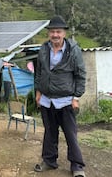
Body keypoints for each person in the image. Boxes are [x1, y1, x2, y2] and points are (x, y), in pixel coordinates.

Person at [34, 15, 86, 177]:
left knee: (70, 134)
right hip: (46, 100)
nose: (55, 35)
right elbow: (39, 72)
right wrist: (38, 92)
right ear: (48, 34)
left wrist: (76, 97)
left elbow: (80, 75)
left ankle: (77, 166)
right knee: (50, 132)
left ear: (64, 33)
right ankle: (49, 161)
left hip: (65, 100)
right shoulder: (44, 49)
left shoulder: (73, 51)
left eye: (58, 31)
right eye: (52, 32)